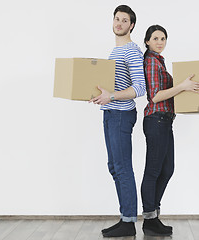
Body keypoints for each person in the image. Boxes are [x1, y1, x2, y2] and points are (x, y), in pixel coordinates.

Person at [141, 25, 199, 236]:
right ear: (148, 41)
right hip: (156, 120)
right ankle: (150, 221)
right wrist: (182, 87)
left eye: (163, 38)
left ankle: (153, 216)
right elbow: (155, 96)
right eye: (156, 38)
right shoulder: (150, 60)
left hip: (165, 121)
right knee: (153, 171)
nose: (160, 42)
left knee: (167, 170)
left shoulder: (160, 61)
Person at [89, 5, 146, 238]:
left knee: (122, 167)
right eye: (116, 19)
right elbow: (113, 86)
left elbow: (140, 87)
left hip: (121, 114)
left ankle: (129, 221)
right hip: (110, 113)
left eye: (124, 20)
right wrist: (101, 95)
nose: (119, 23)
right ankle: (126, 217)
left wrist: (111, 96)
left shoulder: (132, 51)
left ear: (131, 25)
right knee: (114, 166)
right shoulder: (114, 52)